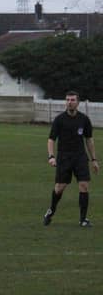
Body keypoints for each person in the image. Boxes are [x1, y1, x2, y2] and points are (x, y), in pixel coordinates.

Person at [43, 91, 98, 227]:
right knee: (59, 188)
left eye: (72, 100)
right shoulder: (59, 119)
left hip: (80, 157)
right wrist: (51, 156)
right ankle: (51, 210)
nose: (69, 102)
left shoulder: (84, 119)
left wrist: (94, 159)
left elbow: (89, 140)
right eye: (67, 100)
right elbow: (51, 139)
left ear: (78, 102)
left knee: (84, 186)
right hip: (64, 157)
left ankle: (83, 219)